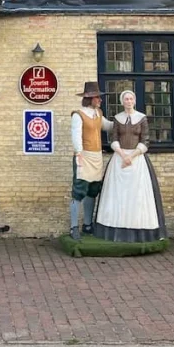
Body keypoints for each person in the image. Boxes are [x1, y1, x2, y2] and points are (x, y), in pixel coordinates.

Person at [93, 89, 167, 242]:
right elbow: (113, 138)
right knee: (117, 195)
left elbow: (145, 140)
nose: (128, 101)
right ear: (122, 101)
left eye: (131, 99)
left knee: (137, 195)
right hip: (119, 158)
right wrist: (122, 154)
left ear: (134, 101)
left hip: (137, 159)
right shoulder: (117, 118)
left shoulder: (142, 118)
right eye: (126, 99)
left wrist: (131, 156)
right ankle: (115, 229)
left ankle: (139, 231)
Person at [69, 82, 112, 241]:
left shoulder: (98, 113)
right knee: (79, 190)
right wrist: (78, 152)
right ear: (89, 98)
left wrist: (125, 122)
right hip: (84, 156)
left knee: (93, 189)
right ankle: (74, 227)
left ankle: (87, 225)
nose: (100, 100)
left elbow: (108, 126)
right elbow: (76, 135)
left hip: (96, 157)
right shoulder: (78, 114)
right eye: (97, 97)